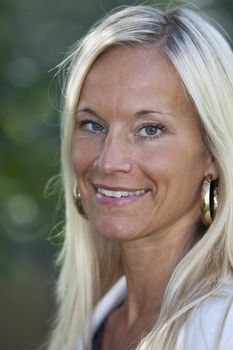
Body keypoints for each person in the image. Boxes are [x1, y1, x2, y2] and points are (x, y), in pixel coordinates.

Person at [47, 4, 233, 350]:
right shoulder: (97, 322)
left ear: (212, 155)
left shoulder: (223, 325)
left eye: (150, 129)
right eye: (93, 125)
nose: (109, 161)